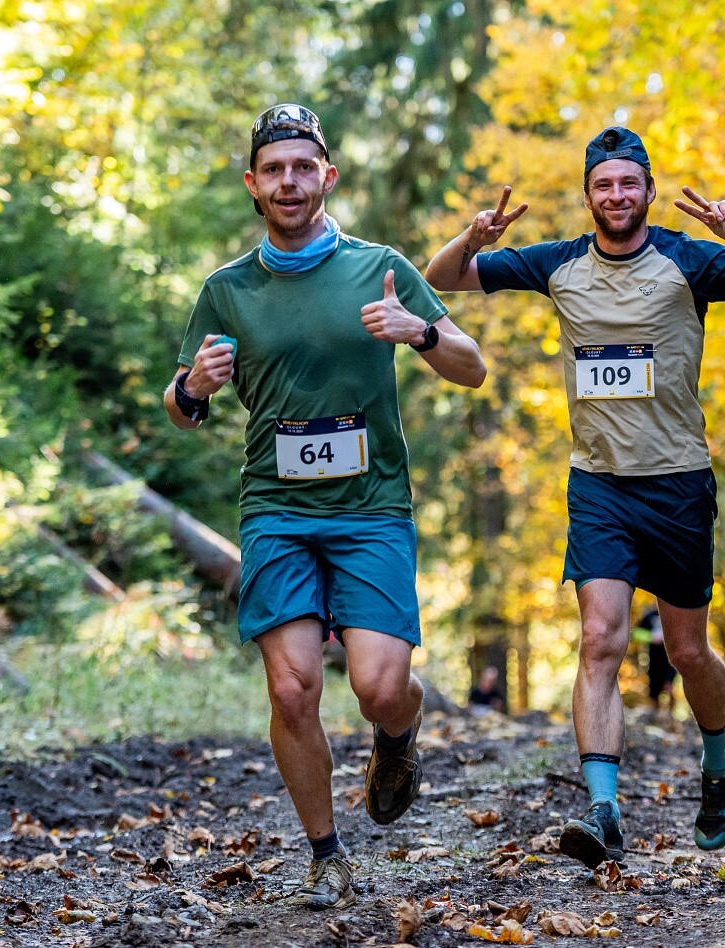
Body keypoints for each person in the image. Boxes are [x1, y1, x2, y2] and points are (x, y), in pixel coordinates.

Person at [424, 127, 725, 868]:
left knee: (686, 649)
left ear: (647, 190)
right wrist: (471, 235)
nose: (615, 196)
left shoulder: (688, 259)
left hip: (677, 483)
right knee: (600, 640)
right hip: (598, 483)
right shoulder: (559, 263)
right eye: (602, 185)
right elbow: (445, 278)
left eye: (627, 184)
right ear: (588, 196)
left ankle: (718, 758)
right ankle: (602, 811)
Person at [164, 103, 487, 909]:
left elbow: (473, 367)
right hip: (275, 508)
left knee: (379, 686)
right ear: (252, 183)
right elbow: (180, 402)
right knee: (291, 689)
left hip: (372, 506)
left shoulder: (379, 265)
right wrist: (191, 388)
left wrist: (418, 332)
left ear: (327, 176)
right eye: (274, 169)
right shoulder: (227, 290)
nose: (289, 181)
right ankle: (326, 855)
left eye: (303, 167)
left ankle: (398, 734)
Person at [637, 605, 677, 715]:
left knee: (669, 686)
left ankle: (670, 714)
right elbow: (636, 633)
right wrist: (651, 637)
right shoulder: (649, 616)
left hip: (671, 660)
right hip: (654, 660)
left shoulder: (674, 614)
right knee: (654, 690)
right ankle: (655, 714)